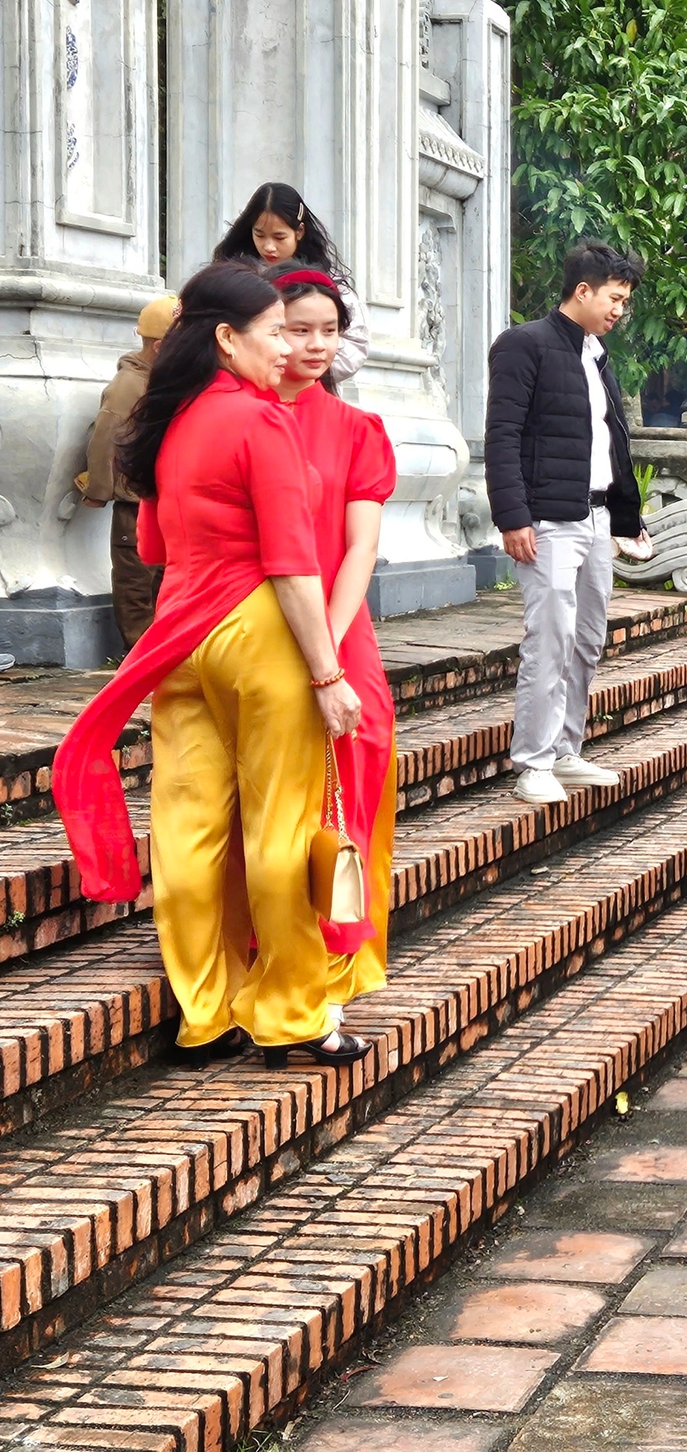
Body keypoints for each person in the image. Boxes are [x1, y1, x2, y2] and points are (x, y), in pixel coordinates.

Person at [52, 262, 369, 1066]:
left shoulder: (167, 420)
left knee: (189, 827)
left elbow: (153, 545)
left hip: (178, 631)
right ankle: (293, 1013)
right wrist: (329, 674)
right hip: (258, 628)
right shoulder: (262, 423)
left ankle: (205, 1011)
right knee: (279, 826)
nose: (287, 347)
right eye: (275, 333)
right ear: (228, 339)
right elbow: (294, 564)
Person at [484, 241, 653, 807]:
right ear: (582, 290)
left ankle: (565, 750)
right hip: (546, 522)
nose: (619, 310)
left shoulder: (596, 354)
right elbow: (502, 435)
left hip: (597, 518)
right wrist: (512, 515)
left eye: (624, 301)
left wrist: (628, 519)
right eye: (614, 298)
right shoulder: (523, 345)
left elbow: (611, 443)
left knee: (586, 639)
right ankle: (531, 762)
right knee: (549, 639)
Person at [270, 265, 399, 1007]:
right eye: (297, 329)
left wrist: (330, 641)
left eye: (329, 329)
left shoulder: (356, 428)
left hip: (340, 626)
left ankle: (340, 952)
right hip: (255, 623)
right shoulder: (241, 417)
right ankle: (265, 947)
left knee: (352, 771)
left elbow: (361, 547)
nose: (316, 345)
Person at [78, 294, 177, 646]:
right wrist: (98, 491)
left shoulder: (163, 382)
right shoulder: (130, 386)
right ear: (162, 346)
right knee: (136, 583)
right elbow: (105, 438)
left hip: (162, 499)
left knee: (164, 579)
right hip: (134, 503)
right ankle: (139, 653)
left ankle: (163, 653)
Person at [212, 182, 368, 381]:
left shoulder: (326, 283)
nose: (268, 246)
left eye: (279, 237)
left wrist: (300, 372)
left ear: (299, 231)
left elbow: (355, 342)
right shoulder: (234, 277)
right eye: (259, 235)